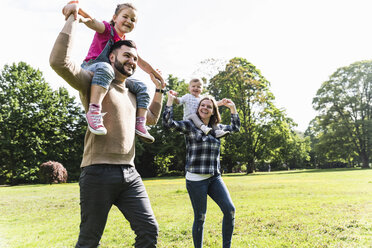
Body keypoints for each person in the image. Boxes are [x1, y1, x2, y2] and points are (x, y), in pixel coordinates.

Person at [50, 6, 164, 247]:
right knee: (89, 240)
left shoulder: (134, 92)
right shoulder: (93, 82)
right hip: (98, 172)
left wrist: (160, 89)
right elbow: (59, 63)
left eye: (134, 58)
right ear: (112, 56)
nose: (132, 61)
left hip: (130, 174)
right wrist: (72, 18)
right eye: (126, 56)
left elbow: (151, 118)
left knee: (149, 231)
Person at [62, 1, 164, 143]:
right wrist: (79, 13)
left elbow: (141, 62)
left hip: (111, 75)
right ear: (115, 17)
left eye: (133, 20)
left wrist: (157, 76)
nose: (129, 21)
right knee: (106, 68)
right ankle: (94, 111)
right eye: (125, 16)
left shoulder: (124, 43)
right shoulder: (107, 29)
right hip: (93, 68)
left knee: (142, 87)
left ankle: (140, 123)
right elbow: (92, 21)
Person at [163, 93, 240, 248]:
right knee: (200, 217)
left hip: (214, 177)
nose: (205, 108)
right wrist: (170, 102)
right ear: (198, 108)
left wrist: (233, 109)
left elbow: (235, 127)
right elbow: (168, 124)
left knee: (230, 210)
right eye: (202, 105)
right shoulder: (190, 126)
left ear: (213, 111)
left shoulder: (217, 129)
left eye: (209, 106)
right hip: (196, 179)